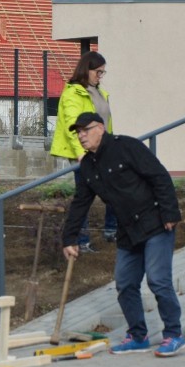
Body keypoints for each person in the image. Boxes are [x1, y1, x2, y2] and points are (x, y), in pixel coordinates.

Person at [61, 112, 185, 357]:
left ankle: (174, 334)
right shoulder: (87, 165)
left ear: (100, 128)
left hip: (156, 222)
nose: (81, 136)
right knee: (125, 283)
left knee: (158, 280)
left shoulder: (127, 146)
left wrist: (170, 212)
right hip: (127, 231)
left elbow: (159, 176)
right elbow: (80, 203)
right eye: (78, 132)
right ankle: (138, 336)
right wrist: (69, 238)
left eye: (85, 130)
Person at [50, 51, 118, 252]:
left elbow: (105, 124)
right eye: (98, 72)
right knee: (84, 195)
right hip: (84, 153)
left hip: (103, 150)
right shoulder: (73, 93)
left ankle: (111, 230)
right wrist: (81, 153)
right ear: (86, 69)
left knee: (115, 186)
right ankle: (81, 240)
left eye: (103, 73)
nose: (100, 76)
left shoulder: (100, 92)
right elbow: (73, 126)